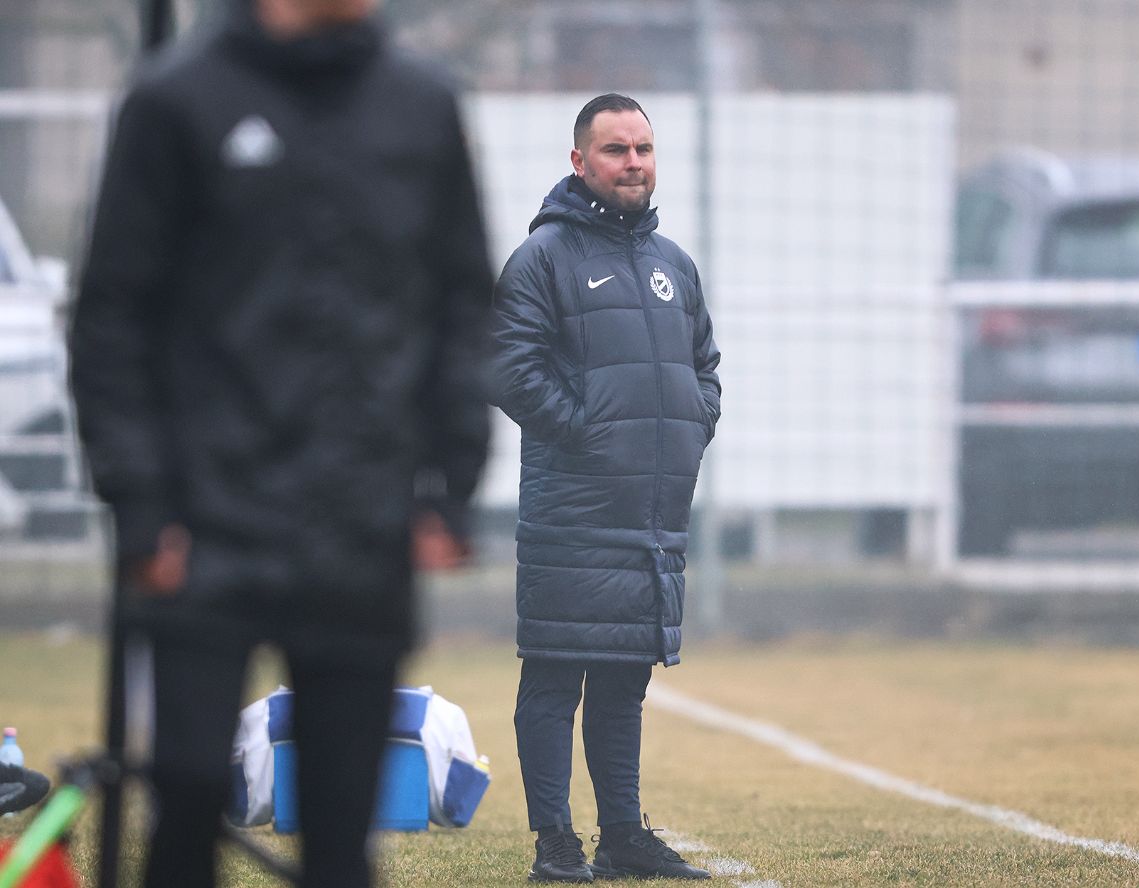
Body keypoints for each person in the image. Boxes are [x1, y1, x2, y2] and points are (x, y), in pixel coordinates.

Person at [68, 0, 493, 884]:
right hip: (203, 524)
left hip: (362, 524)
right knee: (189, 798)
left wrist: (450, 485)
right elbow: (112, 317)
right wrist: (141, 505)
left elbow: (462, 305)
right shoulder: (175, 100)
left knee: (342, 833)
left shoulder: (422, 104)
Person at [490, 93, 721, 883]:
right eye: (616, 149)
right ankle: (555, 845)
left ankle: (622, 835)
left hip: (652, 514)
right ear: (579, 161)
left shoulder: (673, 265)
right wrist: (588, 433)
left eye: (643, 148)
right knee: (554, 674)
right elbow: (510, 368)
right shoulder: (543, 258)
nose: (633, 163)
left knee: (624, 680)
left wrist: (693, 424)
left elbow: (705, 367)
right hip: (573, 510)